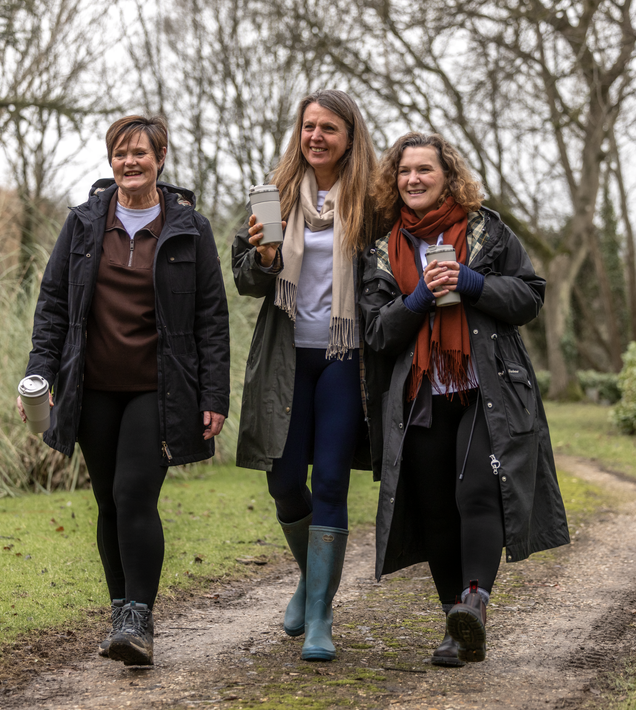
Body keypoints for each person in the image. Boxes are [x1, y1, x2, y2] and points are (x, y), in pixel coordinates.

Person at [17, 115, 230, 667]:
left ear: (161, 157)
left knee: (136, 494)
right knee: (108, 499)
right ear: (110, 161)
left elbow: (211, 317)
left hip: (158, 389)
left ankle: (139, 615)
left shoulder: (190, 227)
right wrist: (40, 373)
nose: (129, 162)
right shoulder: (85, 223)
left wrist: (214, 395)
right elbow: (54, 306)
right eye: (120, 153)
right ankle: (121, 615)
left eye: (140, 152)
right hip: (92, 387)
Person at [359, 132, 569, 666]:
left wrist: (472, 281)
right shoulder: (384, 248)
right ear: (395, 180)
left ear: (448, 176)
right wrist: (420, 297)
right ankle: (456, 624)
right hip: (422, 396)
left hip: (486, 387)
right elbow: (378, 333)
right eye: (405, 171)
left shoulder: (488, 231)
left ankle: (474, 601)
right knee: (433, 512)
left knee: (476, 489)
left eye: (425, 170)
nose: (414, 180)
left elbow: (529, 296)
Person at [232, 89, 377, 661]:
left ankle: (319, 613)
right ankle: (310, 579)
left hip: (345, 358)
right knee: (285, 481)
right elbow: (245, 280)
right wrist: (263, 255)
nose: (316, 137)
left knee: (332, 483)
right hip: (287, 357)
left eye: (329, 129)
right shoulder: (276, 196)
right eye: (309, 127)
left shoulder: (371, 202)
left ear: (349, 138)